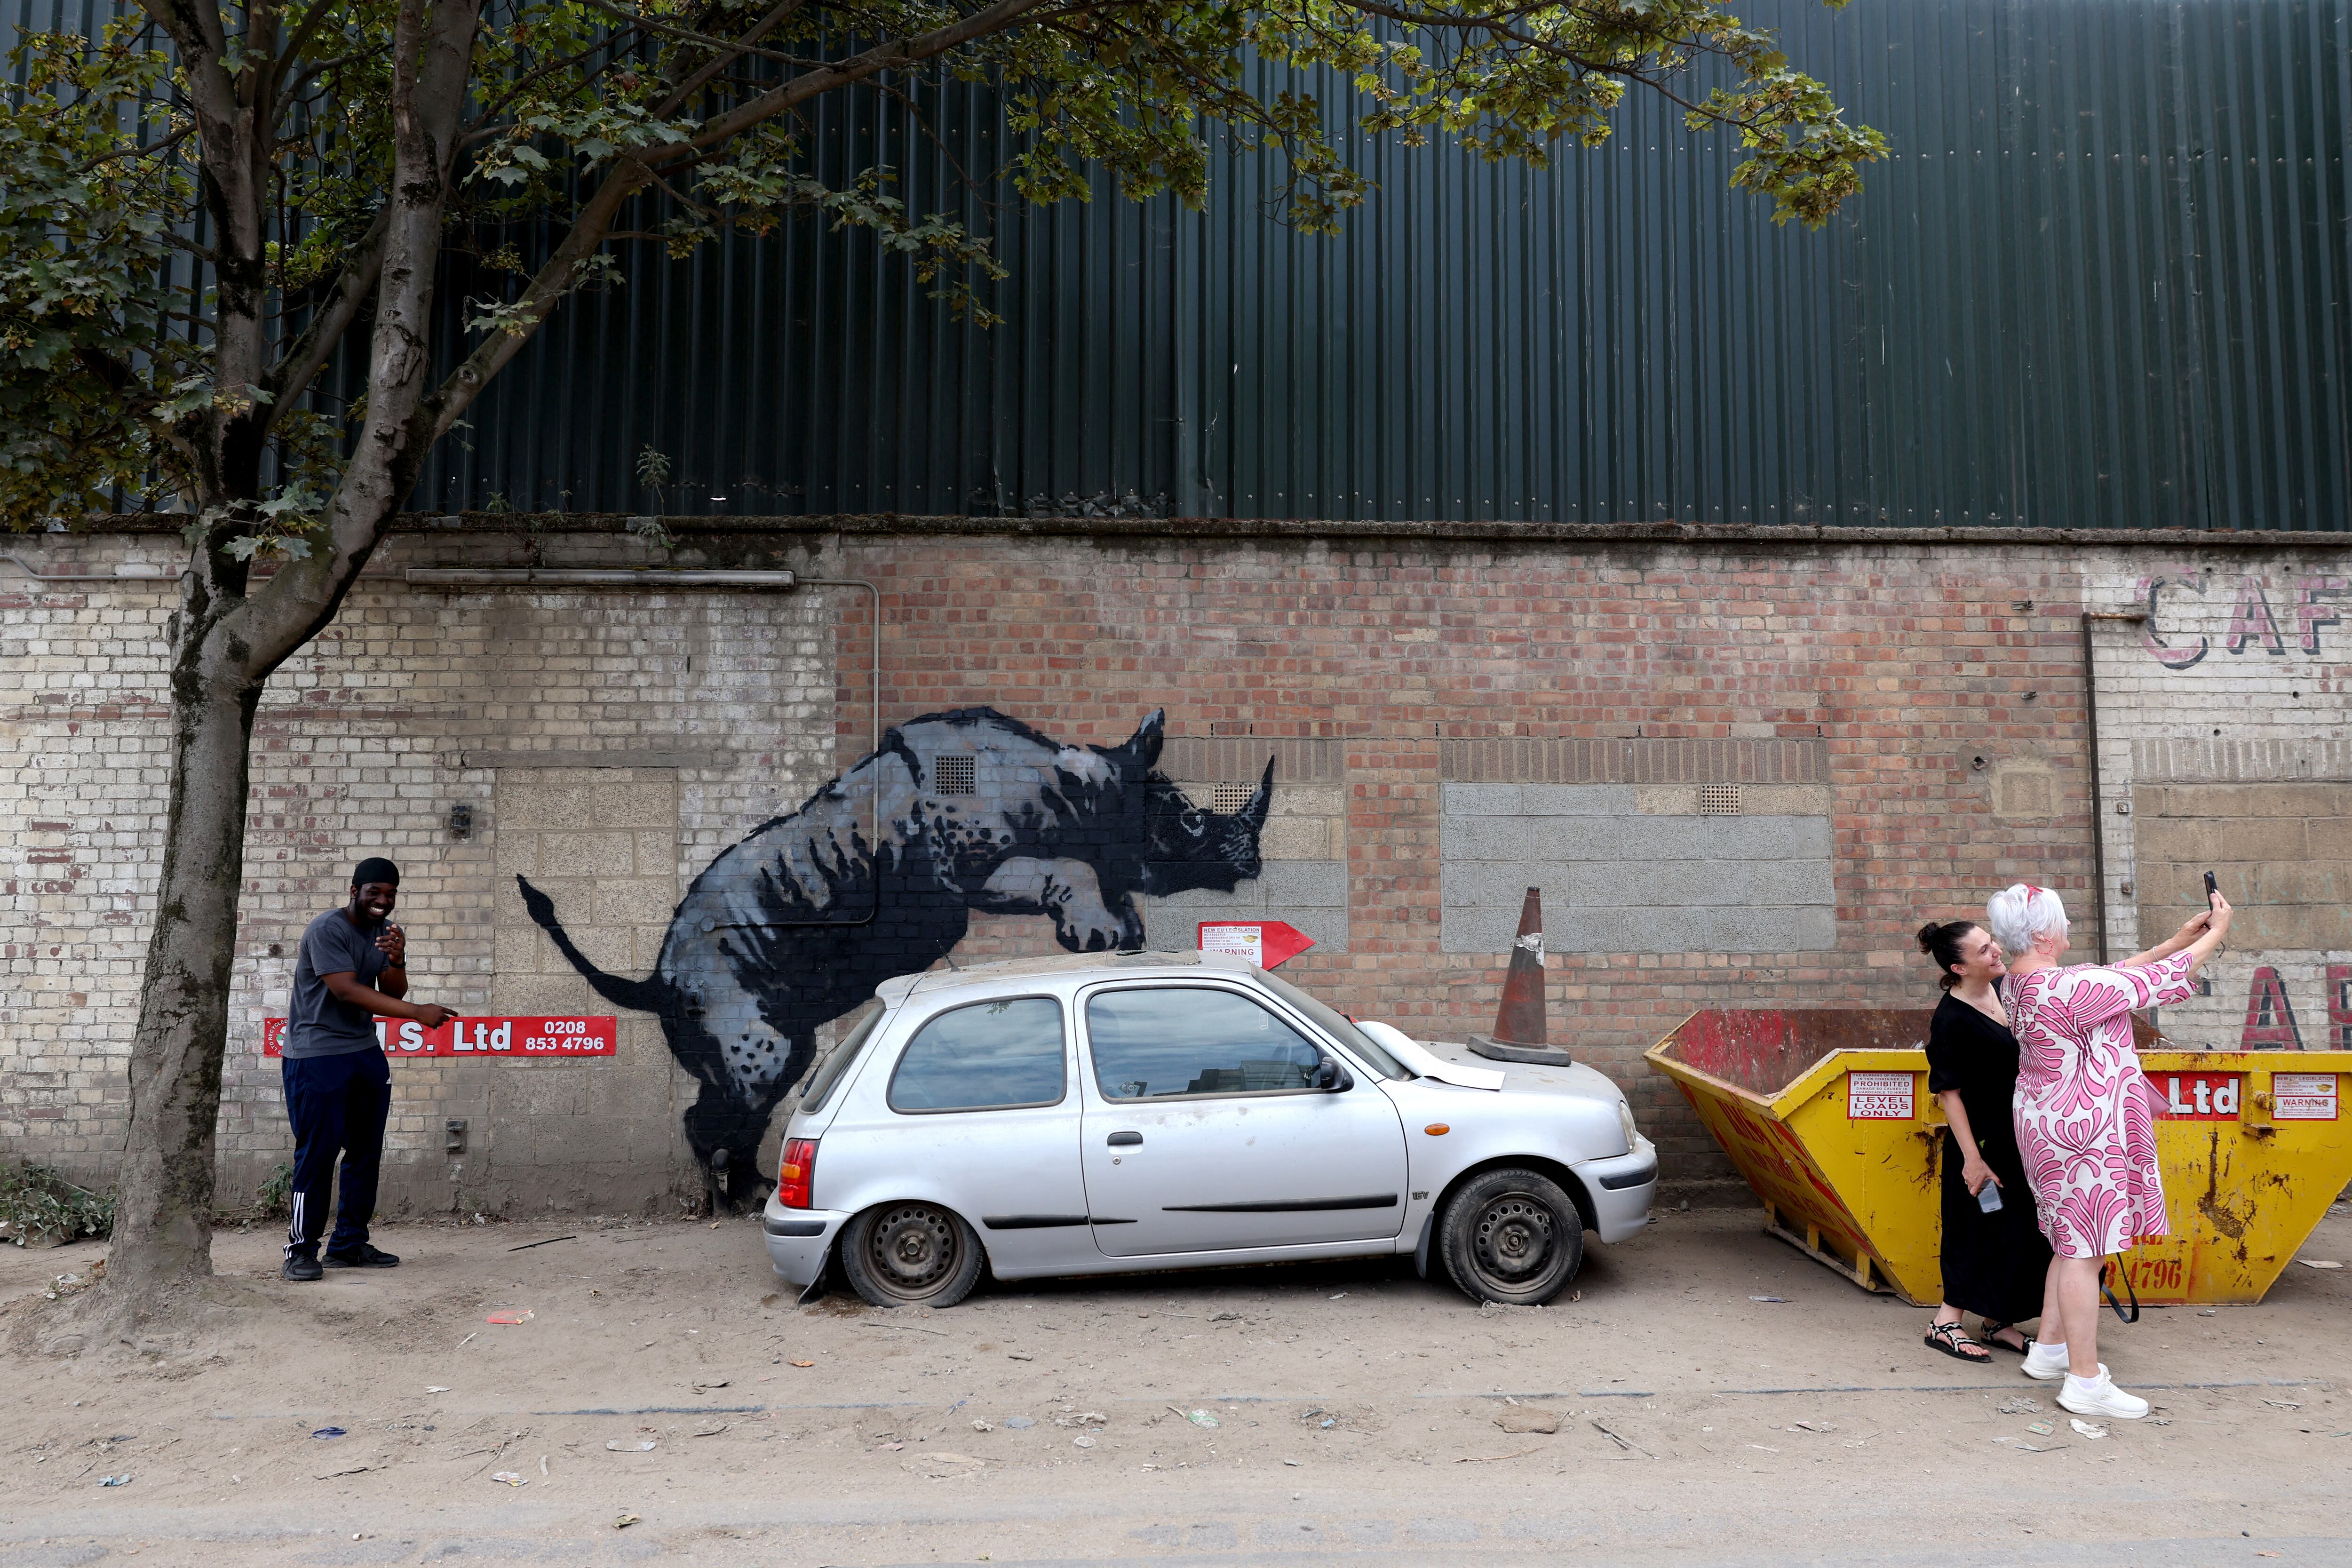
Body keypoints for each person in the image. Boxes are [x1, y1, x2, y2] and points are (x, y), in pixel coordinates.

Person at [1991, 881, 2231, 1420]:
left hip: (2044, 1125)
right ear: (2041, 933)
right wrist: (2215, 933)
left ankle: (2049, 1351)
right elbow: (2148, 981)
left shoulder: (2020, 984)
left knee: (2065, 1238)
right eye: (2062, 920)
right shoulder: (2067, 991)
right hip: (2082, 1132)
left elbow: (2122, 974)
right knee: (2084, 1250)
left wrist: (2173, 940)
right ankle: (2083, 1380)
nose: (2070, 926)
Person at [280, 857, 455, 1282]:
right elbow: (346, 990)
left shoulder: (386, 932)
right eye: (375, 891)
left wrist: (397, 960)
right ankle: (300, 1251)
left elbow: (391, 987)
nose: (383, 900)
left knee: (365, 1151)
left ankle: (349, 1243)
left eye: (390, 894)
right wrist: (416, 1013)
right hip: (316, 1055)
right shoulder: (328, 929)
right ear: (354, 889)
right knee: (318, 1153)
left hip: (363, 1052)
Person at [1916, 918, 2050, 1364]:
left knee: (2019, 1232)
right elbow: (1948, 1093)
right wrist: (1972, 1160)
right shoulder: (1951, 1019)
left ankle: (1999, 1320)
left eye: (1992, 943)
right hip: (1981, 1141)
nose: (1996, 952)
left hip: (2019, 1135)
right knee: (1973, 1228)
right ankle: (1945, 1322)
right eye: (1984, 951)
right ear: (1958, 968)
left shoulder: (2006, 989)